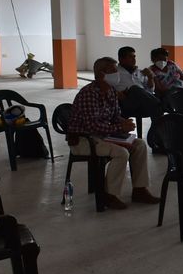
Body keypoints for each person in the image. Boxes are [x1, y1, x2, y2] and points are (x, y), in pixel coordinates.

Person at [67, 57, 161, 209]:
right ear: (101, 74)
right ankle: (109, 195)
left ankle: (140, 190)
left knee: (139, 145)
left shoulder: (110, 90)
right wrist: (119, 128)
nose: (117, 74)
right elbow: (92, 127)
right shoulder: (89, 93)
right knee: (121, 153)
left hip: (103, 136)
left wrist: (124, 122)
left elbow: (115, 116)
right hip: (84, 140)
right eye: (113, 71)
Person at [114, 46, 162, 119]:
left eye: (134, 57)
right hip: (124, 102)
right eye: (130, 57)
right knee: (134, 88)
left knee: (154, 107)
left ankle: (158, 124)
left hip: (143, 102)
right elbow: (107, 88)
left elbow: (150, 90)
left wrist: (150, 77)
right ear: (121, 59)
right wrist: (117, 93)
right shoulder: (114, 72)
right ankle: (160, 105)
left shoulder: (140, 72)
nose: (134, 59)